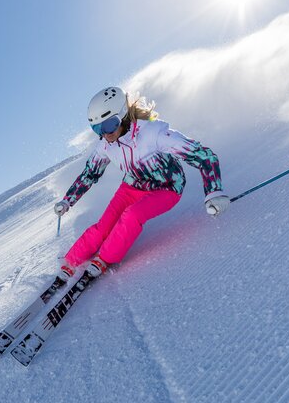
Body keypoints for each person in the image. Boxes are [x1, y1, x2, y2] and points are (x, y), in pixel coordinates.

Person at [53, 86, 230, 281]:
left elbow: (203, 156)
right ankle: (71, 260)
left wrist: (214, 191)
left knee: (132, 215)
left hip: (167, 187)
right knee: (104, 226)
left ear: (122, 115)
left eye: (110, 125)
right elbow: (90, 174)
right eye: (97, 129)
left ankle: (105, 258)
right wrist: (67, 201)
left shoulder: (154, 133)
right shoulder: (105, 145)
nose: (105, 134)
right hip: (131, 186)